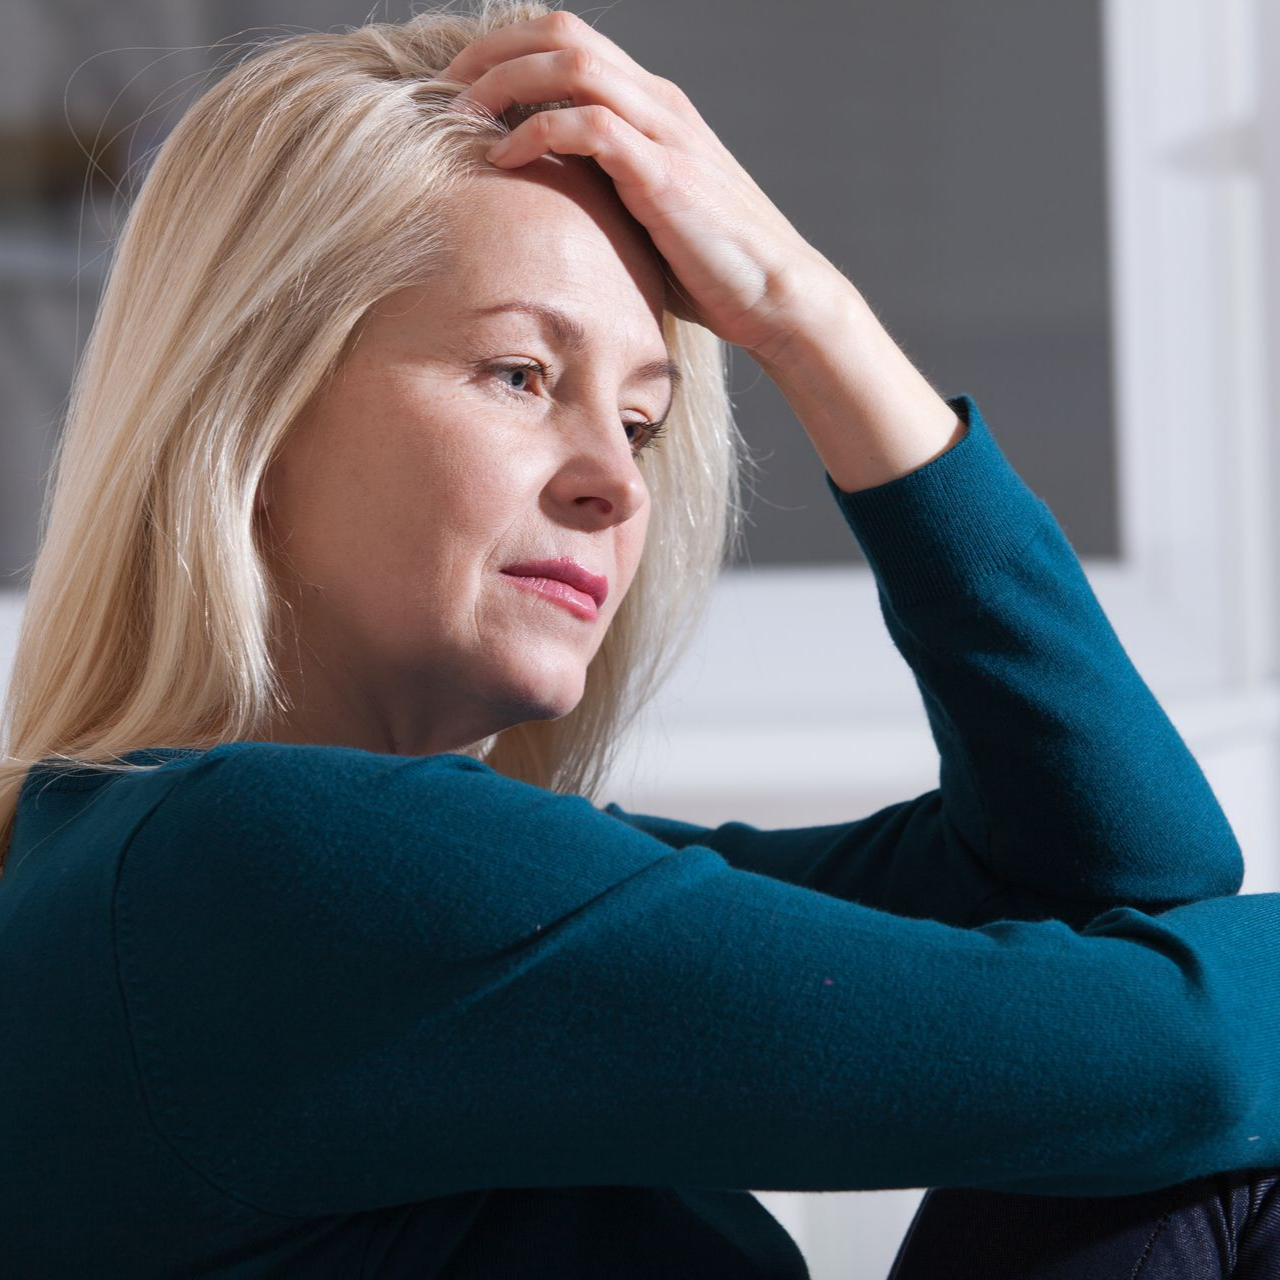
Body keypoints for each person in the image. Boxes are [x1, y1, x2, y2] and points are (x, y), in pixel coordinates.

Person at [0, 1, 1276, 1276]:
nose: (612, 482)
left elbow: (1118, 868)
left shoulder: (201, 873)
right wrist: (798, 309)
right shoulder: (262, 874)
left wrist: (800, 306)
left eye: (643, 422)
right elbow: (1184, 1050)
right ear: (256, 412)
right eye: (518, 374)